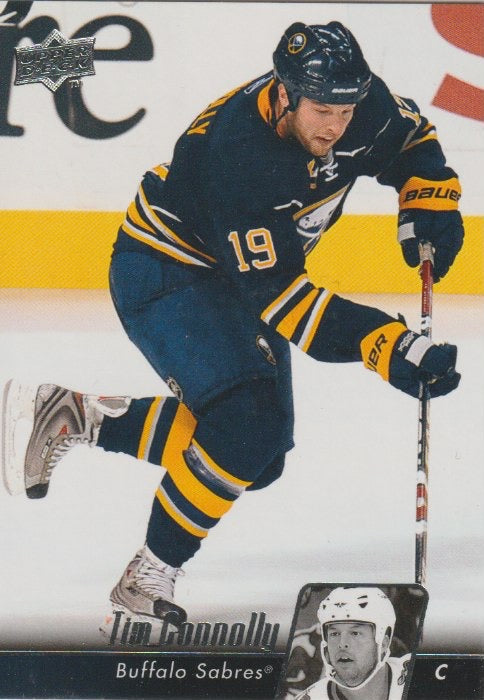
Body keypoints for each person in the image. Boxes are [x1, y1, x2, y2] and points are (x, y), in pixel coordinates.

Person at [2, 22, 463, 627]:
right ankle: (149, 574)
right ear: (285, 94)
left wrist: (428, 199)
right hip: (165, 270)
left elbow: (412, 139)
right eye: (322, 111)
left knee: (259, 456)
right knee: (246, 428)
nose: (335, 126)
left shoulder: (358, 100)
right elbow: (290, 307)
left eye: (346, 111)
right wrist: (388, 345)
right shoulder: (235, 154)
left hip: (241, 278)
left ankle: (72, 415)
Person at [294, 587, 410, 700]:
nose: (342, 643)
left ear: (383, 644)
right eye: (335, 634)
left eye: (355, 633)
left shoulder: (415, 675)